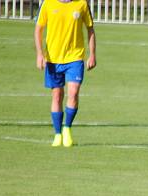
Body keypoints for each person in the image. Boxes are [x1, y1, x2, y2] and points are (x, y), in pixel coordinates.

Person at [34, 0, 96, 147]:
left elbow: (90, 29)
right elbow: (38, 29)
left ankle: (67, 128)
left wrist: (92, 54)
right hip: (53, 59)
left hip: (75, 58)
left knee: (73, 93)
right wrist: (39, 54)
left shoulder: (82, 4)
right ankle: (57, 134)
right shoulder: (48, 3)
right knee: (57, 95)